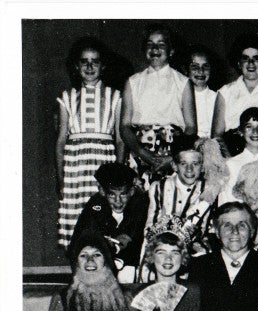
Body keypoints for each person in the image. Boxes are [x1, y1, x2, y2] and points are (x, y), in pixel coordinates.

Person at [56, 37, 124, 250]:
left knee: (102, 211)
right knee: (77, 215)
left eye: (95, 61)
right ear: (76, 66)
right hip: (75, 169)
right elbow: (61, 141)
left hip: (103, 165)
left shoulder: (115, 96)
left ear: (103, 66)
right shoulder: (67, 97)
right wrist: (60, 178)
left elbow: (120, 139)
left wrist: (118, 174)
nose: (89, 66)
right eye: (84, 61)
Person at [120, 24, 197, 189]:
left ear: (171, 51)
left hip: (172, 150)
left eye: (161, 44)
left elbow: (191, 127)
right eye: (150, 44)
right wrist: (141, 152)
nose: (155, 49)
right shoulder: (133, 82)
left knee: (169, 196)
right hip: (140, 149)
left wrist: (173, 156)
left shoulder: (183, 82)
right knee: (141, 197)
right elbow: (124, 126)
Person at [71, 163, 149, 283]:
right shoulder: (95, 205)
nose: (118, 201)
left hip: (132, 264)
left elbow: (133, 237)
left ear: (131, 192)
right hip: (100, 264)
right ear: (102, 191)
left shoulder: (140, 205)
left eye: (123, 194)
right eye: (112, 194)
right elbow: (79, 241)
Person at [212, 33, 258, 154]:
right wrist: (230, 161)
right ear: (239, 64)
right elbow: (217, 135)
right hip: (233, 151)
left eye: (256, 58)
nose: (251, 63)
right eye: (245, 58)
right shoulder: (225, 92)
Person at [219, 107, 258, 205]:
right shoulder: (230, 164)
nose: (255, 131)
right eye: (249, 126)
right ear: (241, 131)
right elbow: (225, 201)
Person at [186, 46, 217, 139]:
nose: (200, 71)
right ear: (186, 70)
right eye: (195, 67)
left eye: (205, 66)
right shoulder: (181, 97)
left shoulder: (217, 97)